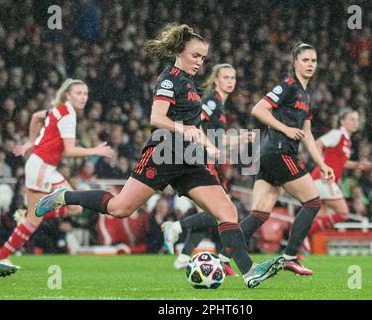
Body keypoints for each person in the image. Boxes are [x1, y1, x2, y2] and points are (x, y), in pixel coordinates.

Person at [35, 24, 283, 288]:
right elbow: (156, 118)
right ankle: (63, 196)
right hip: (163, 152)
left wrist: (207, 145)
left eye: (203, 58)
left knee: (227, 211)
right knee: (120, 208)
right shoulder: (169, 79)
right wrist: (183, 129)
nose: (200, 62)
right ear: (179, 51)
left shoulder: (189, 84)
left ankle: (250, 271)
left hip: (189, 157)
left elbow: (192, 124)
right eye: (196, 56)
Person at [218, 42, 335, 276]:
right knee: (312, 202)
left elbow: (308, 134)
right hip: (279, 152)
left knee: (260, 212)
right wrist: (286, 129)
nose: (310, 64)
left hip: (268, 156)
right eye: (305, 60)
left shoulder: (306, 96)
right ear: (295, 63)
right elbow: (258, 109)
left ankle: (222, 258)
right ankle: (290, 256)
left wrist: (322, 164)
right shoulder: (289, 86)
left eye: (313, 60)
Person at [0, 79, 114, 266]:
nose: (83, 97)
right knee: (43, 218)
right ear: (68, 95)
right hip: (42, 167)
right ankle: (5, 251)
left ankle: (2, 255)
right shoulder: (68, 115)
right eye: (79, 93)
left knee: (74, 208)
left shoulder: (57, 110)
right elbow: (69, 151)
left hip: (42, 166)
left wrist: (32, 142)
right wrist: (95, 151)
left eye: (85, 93)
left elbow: (35, 117)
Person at [162, 63, 251, 275]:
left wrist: (238, 138)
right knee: (220, 212)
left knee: (211, 212)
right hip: (200, 159)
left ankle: (184, 256)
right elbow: (195, 123)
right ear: (216, 79)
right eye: (226, 77)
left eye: (233, 77)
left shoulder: (219, 104)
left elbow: (217, 140)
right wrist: (208, 147)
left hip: (203, 157)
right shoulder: (211, 100)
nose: (230, 81)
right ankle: (176, 228)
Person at [308, 108, 370, 234]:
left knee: (321, 217)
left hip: (325, 179)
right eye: (351, 119)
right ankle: (303, 234)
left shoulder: (346, 140)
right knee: (343, 213)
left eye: (357, 120)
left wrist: (358, 165)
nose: (355, 122)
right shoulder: (337, 134)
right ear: (342, 121)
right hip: (324, 179)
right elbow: (317, 144)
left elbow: (342, 162)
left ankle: (299, 242)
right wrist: (322, 167)